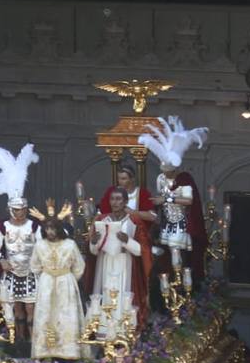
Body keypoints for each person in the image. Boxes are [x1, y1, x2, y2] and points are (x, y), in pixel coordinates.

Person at [137, 116, 209, 287]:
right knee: (163, 259)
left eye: (169, 171)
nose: (166, 174)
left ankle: (182, 287)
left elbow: (188, 200)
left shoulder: (184, 179)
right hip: (165, 222)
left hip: (181, 224)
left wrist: (167, 198)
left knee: (180, 259)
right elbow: (160, 198)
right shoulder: (161, 179)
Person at [0, 143, 41, 343]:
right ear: (10, 210)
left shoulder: (34, 226)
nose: (20, 213)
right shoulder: (4, 226)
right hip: (11, 272)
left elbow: (42, 245)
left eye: (23, 210)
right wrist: (1, 259)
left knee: (31, 307)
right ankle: (18, 341)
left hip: (31, 272)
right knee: (16, 308)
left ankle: (33, 343)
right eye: (17, 210)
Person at [29, 211, 86, 360]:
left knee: (66, 314)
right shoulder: (40, 245)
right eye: (47, 229)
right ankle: (45, 351)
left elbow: (79, 266)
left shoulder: (70, 245)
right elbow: (34, 266)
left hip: (65, 282)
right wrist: (46, 276)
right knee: (46, 314)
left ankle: (68, 351)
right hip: (46, 283)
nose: (50, 232)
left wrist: (68, 278)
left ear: (59, 229)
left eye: (53, 228)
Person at [89, 188, 146, 330]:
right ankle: (106, 328)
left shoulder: (134, 221)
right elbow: (93, 251)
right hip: (106, 262)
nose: (115, 202)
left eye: (118, 199)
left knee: (122, 295)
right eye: (112, 199)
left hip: (125, 263)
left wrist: (127, 241)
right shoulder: (102, 220)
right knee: (107, 291)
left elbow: (142, 251)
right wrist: (94, 242)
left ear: (125, 202)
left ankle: (124, 329)